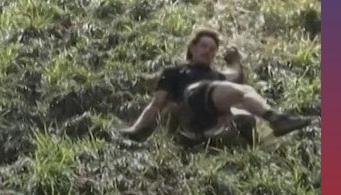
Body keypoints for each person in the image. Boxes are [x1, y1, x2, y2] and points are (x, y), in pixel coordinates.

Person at [121, 30, 313, 143]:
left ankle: (268, 127)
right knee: (236, 90)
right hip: (188, 105)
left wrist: (234, 58)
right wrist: (136, 130)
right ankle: (276, 120)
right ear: (193, 48)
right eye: (204, 46)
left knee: (246, 113)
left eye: (212, 49)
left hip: (209, 115)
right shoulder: (175, 71)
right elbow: (156, 104)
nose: (208, 52)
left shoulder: (217, 76)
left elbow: (235, 73)